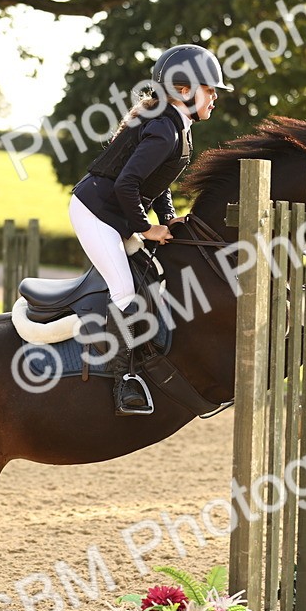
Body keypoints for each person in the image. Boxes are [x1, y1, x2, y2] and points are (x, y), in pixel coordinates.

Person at [69, 44, 231, 416]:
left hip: (116, 213)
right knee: (125, 290)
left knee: (153, 277)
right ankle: (123, 381)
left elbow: (157, 184)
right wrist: (147, 229)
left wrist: (169, 217)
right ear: (184, 90)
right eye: (211, 89)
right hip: (95, 213)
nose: (216, 97)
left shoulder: (177, 127)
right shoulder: (164, 130)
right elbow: (128, 184)